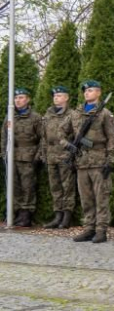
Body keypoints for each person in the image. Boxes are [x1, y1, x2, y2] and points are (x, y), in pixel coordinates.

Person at [60, 80, 114, 243]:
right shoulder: (75, 114)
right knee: (86, 198)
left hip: (99, 161)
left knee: (101, 197)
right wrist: (68, 145)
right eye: (85, 91)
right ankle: (89, 228)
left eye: (91, 90)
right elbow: (60, 132)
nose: (87, 93)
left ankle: (101, 230)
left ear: (99, 93)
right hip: (81, 161)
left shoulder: (104, 114)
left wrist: (110, 159)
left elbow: (113, 138)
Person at [1, 87, 43, 227]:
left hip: (28, 156)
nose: (18, 100)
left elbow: (43, 138)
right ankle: (16, 212)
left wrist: (38, 155)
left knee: (27, 186)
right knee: (14, 185)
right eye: (16, 98)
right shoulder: (10, 116)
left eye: (21, 98)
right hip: (12, 155)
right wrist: (4, 153)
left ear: (28, 99)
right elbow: (4, 136)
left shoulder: (35, 117)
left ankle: (26, 214)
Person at [40, 86, 78, 229]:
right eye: (55, 96)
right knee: (55, 187)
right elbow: (43, 137)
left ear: (66, 98)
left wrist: (72, 154)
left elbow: (77, 136)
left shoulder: (72, 115)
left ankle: (67, 216)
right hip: (51, 155)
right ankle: (58, 216)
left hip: (65, 155)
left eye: (59, 95)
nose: (56, 98)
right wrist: (43, 153)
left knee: (67, 186)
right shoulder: (48, 114)